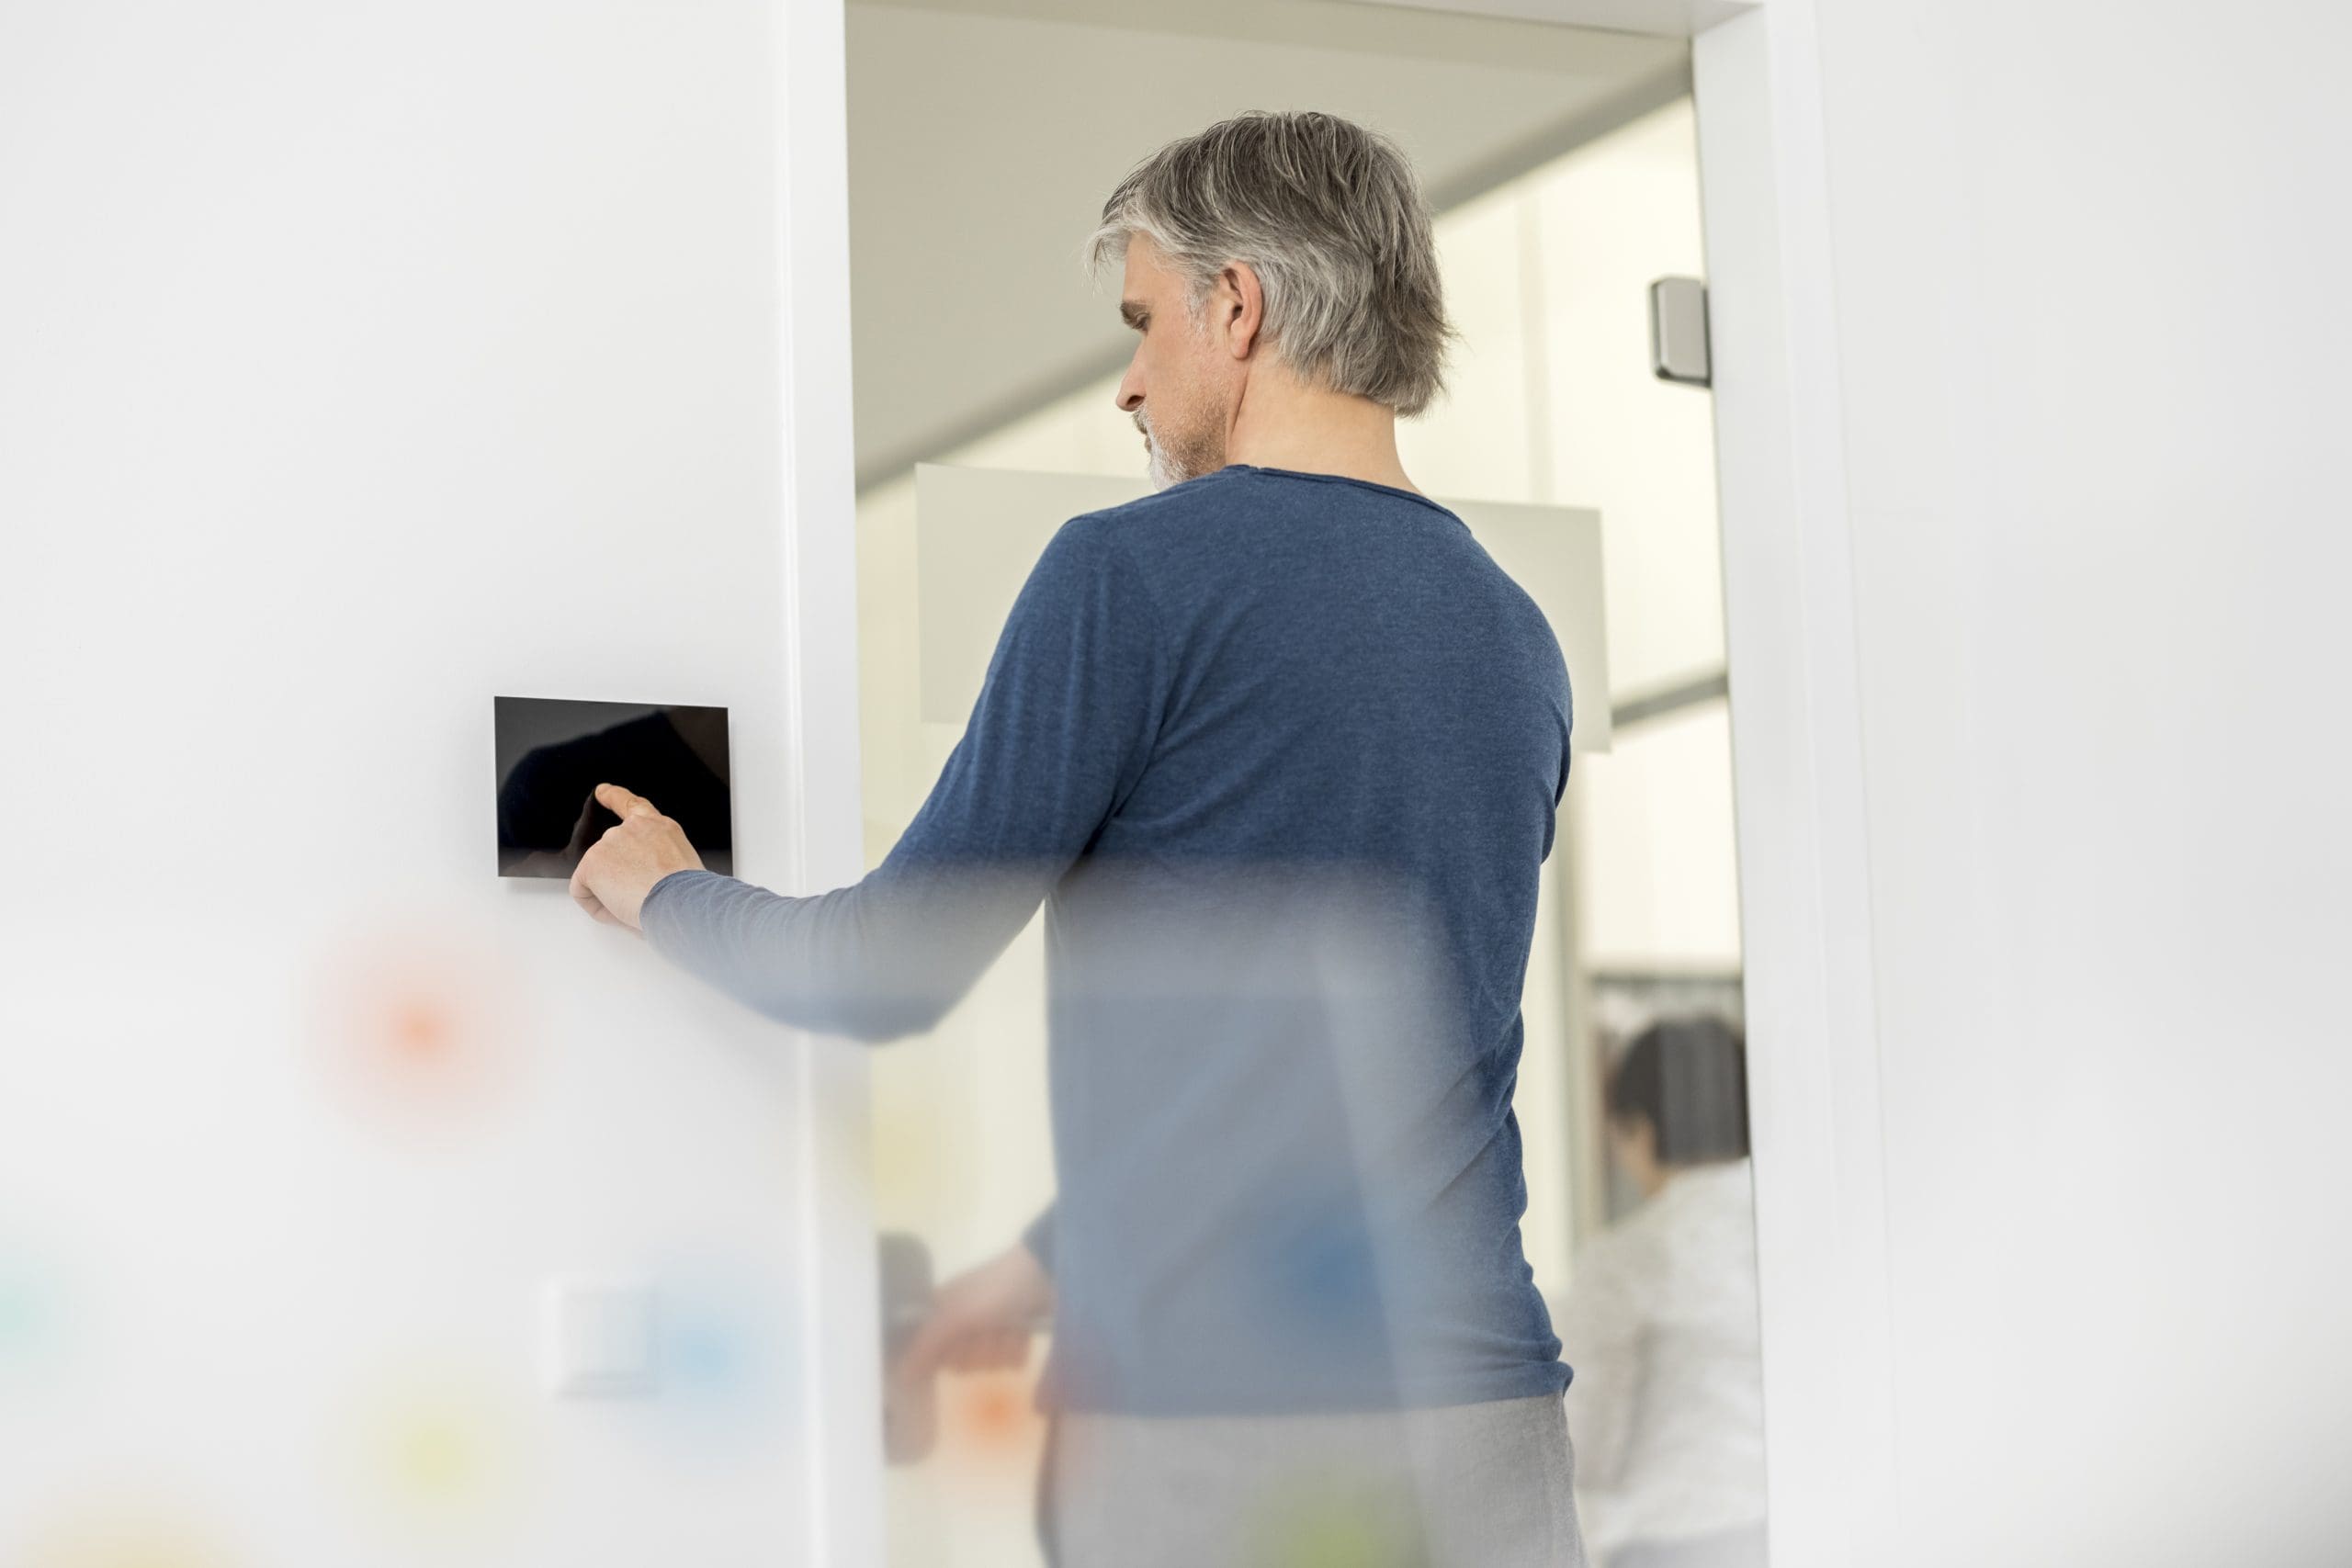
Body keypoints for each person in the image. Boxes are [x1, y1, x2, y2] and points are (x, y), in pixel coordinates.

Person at [568, 109, 1583, 1566]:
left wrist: (667, 891)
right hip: (1485, 1423)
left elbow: (884, 967)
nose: (1128, 380)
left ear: (1236, 306)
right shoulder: (1515, 634)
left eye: (1143, 318)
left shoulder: (1134, 575)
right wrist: (1038, 1267)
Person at [1561, 1018, 1767, 1568]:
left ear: (1640, 1131)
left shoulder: (1628, 1258)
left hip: (1667, 1545)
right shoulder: (1791, 1234)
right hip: (1788, 1531)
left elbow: (1586, 1446)